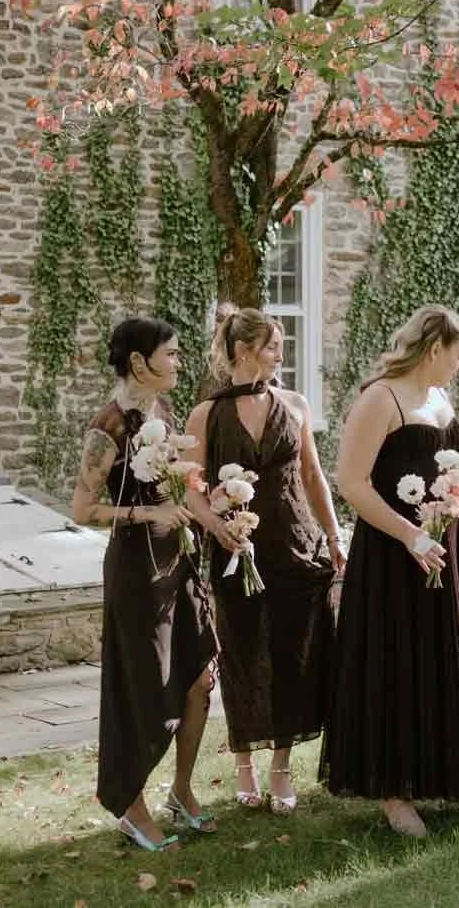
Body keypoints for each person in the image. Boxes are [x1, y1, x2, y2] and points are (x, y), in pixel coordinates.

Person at [320, 306, 459, 837]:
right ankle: (393, 791)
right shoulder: (380, 398)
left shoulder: (440, 399)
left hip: (445, 547)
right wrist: (410, 535)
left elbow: (452, 478)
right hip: (395, 554)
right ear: (433, 350)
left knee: (448, 658)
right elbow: (352, 482)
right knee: (398, 662)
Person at [182, 305, 343, 812]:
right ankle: (243, 764)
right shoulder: (206, 413)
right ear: (244, 351)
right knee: (243, 654)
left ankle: (280, 767)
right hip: (235, 550)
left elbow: (314, 477)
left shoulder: (294, 405)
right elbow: (190, 489)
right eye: (273, 346)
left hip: (295, 545)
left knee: (292, 656)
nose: (281, 354)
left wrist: (336, 536)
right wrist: (217, 526)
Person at [72, 317, 218, 852]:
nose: (180, 362)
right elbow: (83, 509)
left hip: (179, 564)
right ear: (139, 362)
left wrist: (214, 513)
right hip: (136, 571)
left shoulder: (164, 413)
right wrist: (145, 513)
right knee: (145, 690)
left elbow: (179, 487)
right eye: (172, 355)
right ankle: (131, 806)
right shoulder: (107, 427)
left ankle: (181, 790)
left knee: (199, 676)